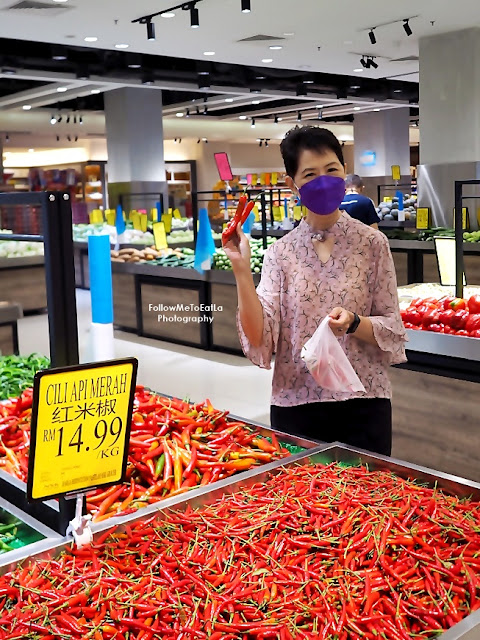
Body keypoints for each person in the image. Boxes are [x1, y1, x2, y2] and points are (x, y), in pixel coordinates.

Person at [223, 126, 406, 456]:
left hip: (364, 404)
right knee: (301, 506)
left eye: (332, 170)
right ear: (293, 184)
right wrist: (240, 269)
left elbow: (393, 329)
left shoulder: (372, 244)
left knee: (369, 505)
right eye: (310, 173)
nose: (324, 180)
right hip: (297, 406)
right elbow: (259, 336)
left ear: (344, 172)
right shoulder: (280, 254)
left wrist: (353, 322)